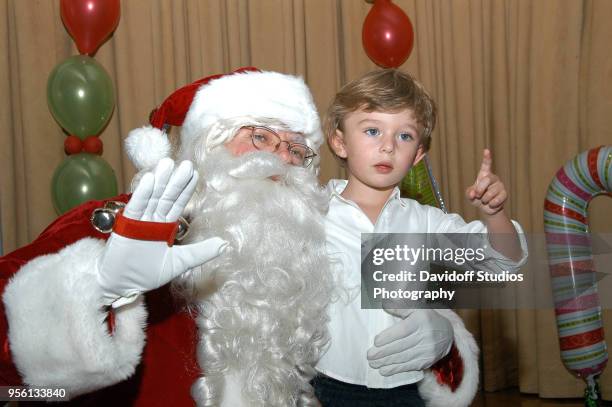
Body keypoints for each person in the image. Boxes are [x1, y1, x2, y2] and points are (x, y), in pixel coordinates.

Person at [0, 68, 334, 406]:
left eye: (295, 149)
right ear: (208, 143)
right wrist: (98, 290)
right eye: (261, 137)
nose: (281, 159)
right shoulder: (125, 221)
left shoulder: (303, 250)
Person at [314, 69, 528, 406]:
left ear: (417, 155)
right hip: (328, 385)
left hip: (407, 388)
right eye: (372, 130)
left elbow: (503, 261)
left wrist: (495, 214)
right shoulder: (311, 213)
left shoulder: (427, 222)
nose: (387, 146)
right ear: (339, 141)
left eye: (404, 136)